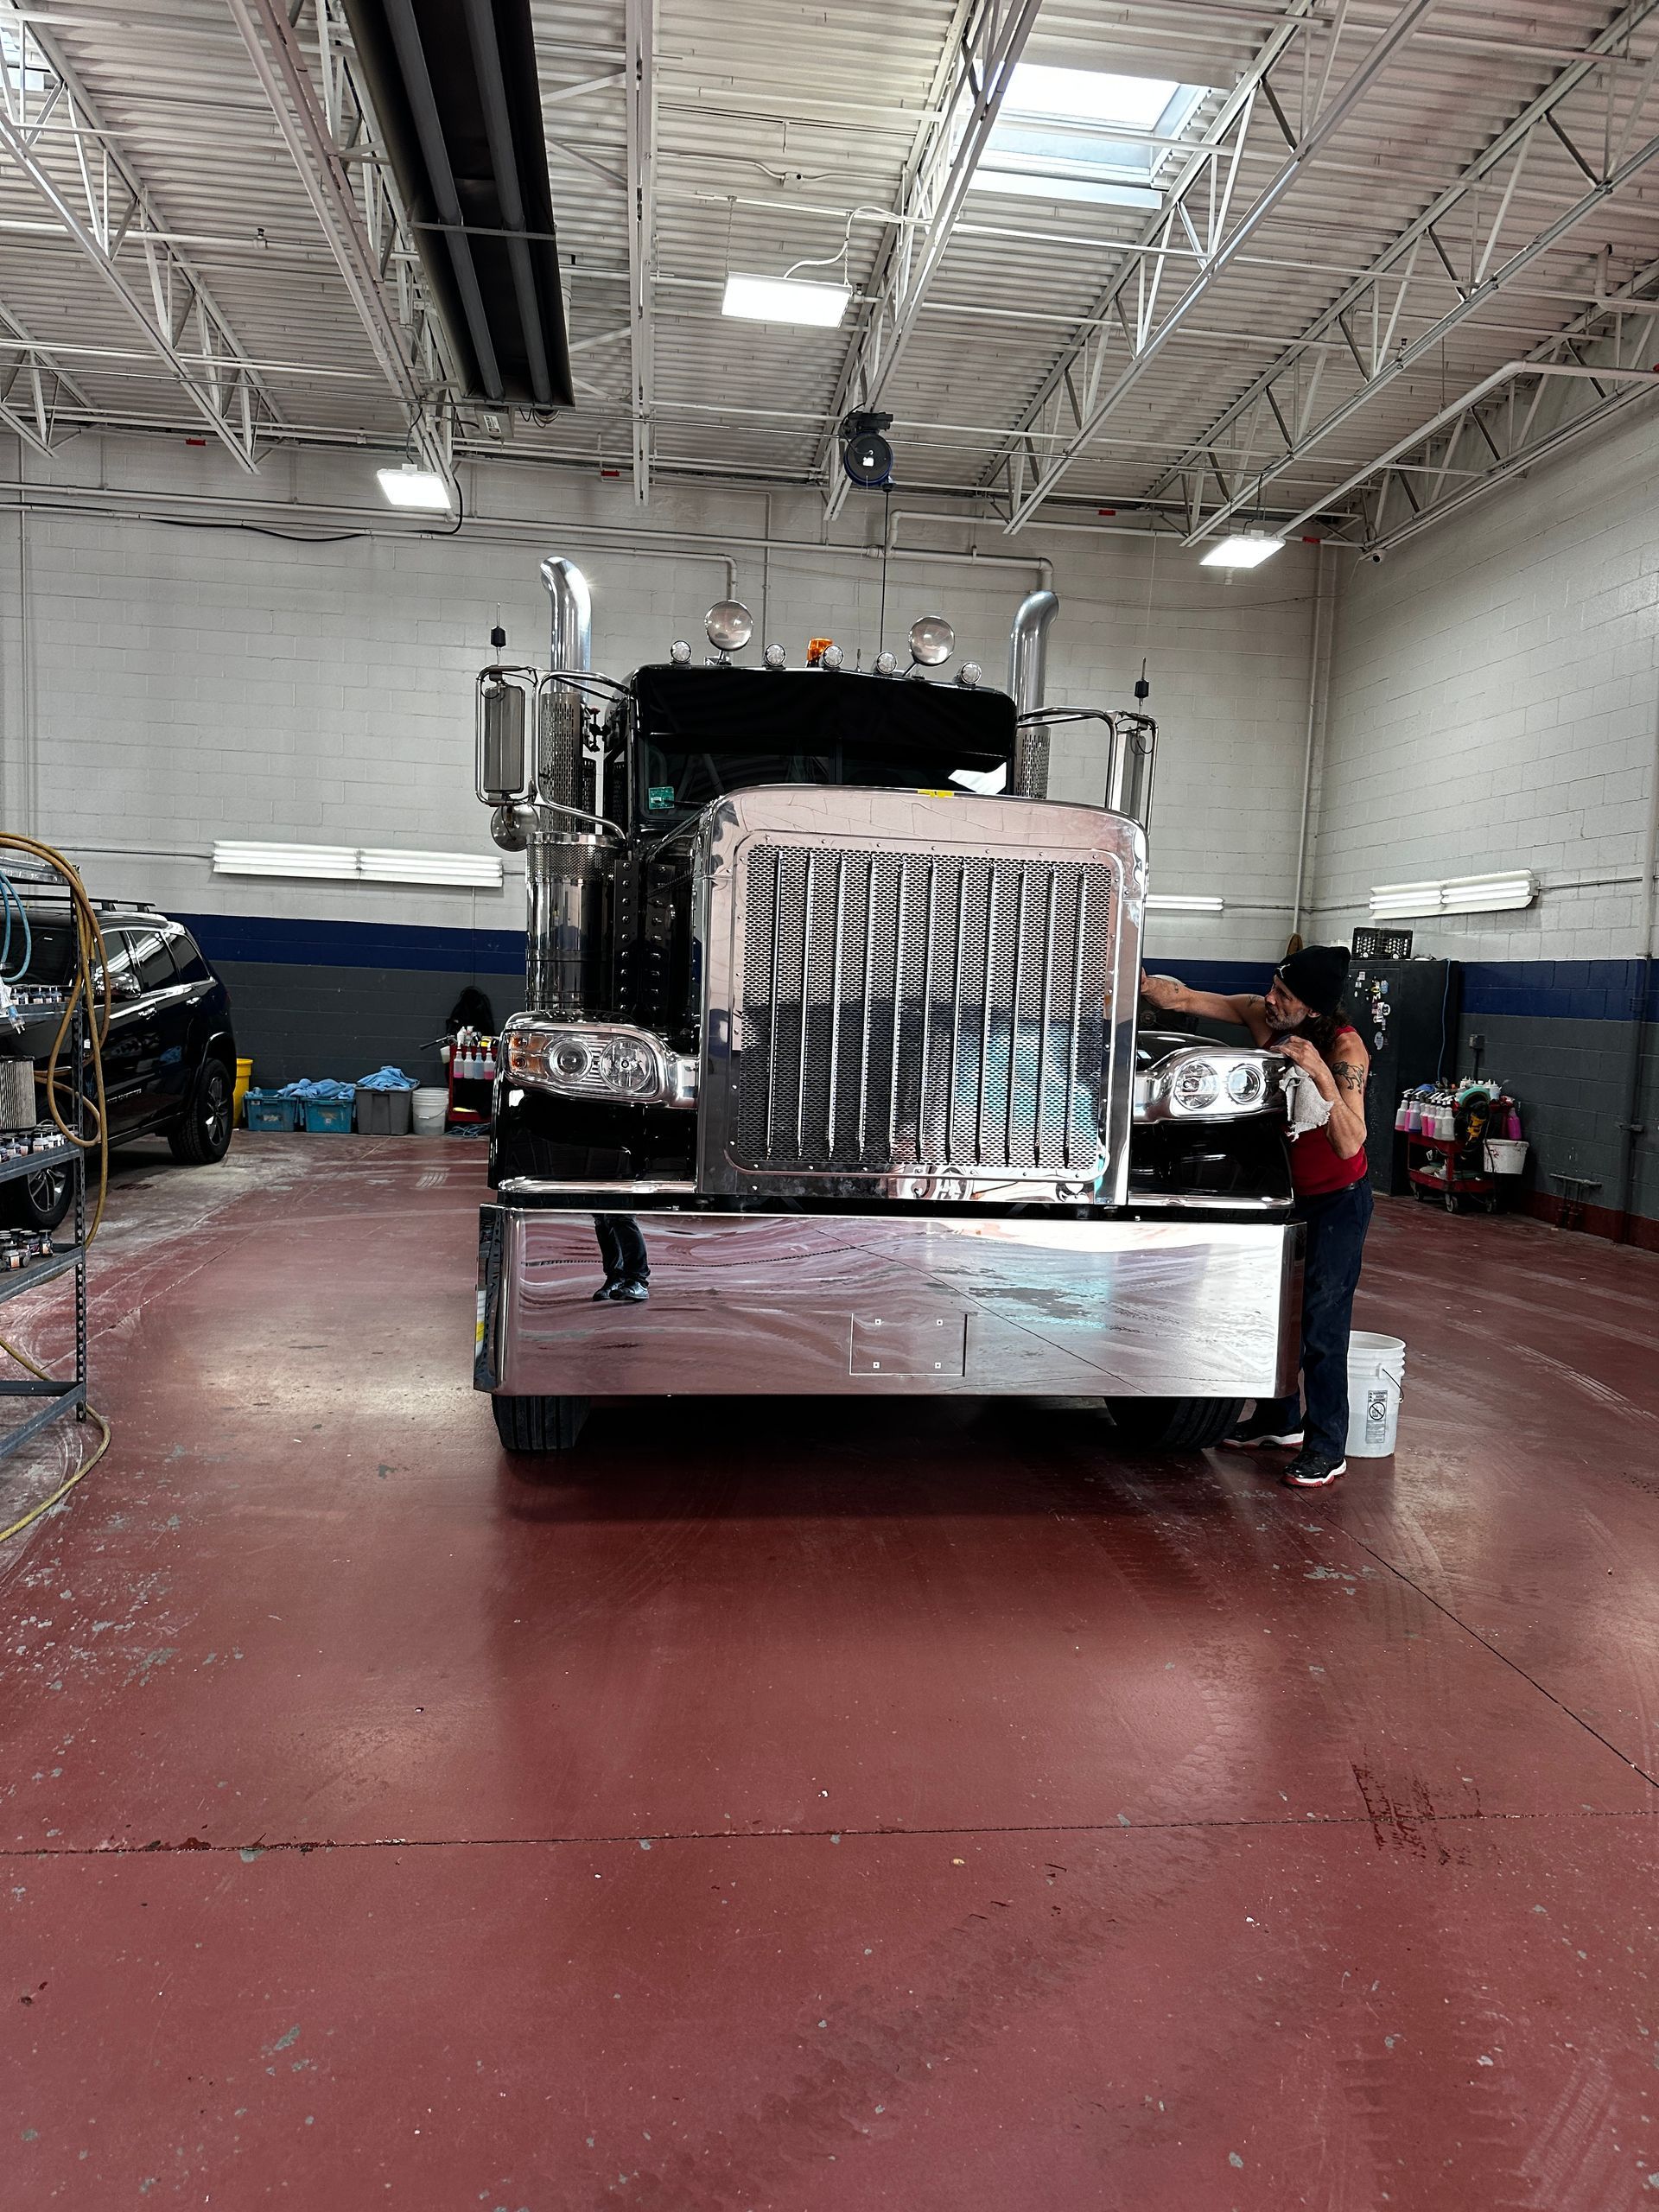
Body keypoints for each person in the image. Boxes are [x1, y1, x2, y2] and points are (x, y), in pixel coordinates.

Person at [1140, 944, 1372, 1488]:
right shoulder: (1261, 1013)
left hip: (1337, 1197)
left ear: (1312, 1010)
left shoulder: (1345, 1051)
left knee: (1321, 1319)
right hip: (1285, 1192)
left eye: (1284, 996)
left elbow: (1351, 1142)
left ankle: (1327, 1445)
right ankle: (1279, 1419)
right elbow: (1189, 998)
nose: (1271, 999)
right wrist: (1142, 983)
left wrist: (1319, 1074)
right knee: (1272, 1310)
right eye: (1274, 986)